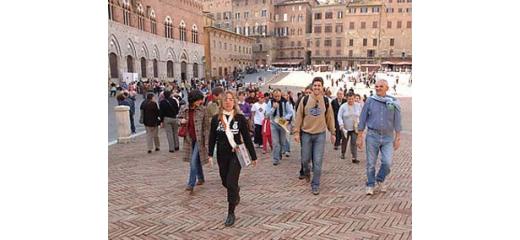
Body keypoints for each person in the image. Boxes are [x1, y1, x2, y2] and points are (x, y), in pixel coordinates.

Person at [208, 91, 257, 227]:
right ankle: (236, 190)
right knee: (226, 182)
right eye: (225, 100)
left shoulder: (240, 118)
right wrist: (210, 154)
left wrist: (253, 156)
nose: (228, 102)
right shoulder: (216, 119)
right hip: (222, 155)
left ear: (234, 102)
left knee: (230, 182)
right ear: (221, 102)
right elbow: (212, 137)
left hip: (236, 154)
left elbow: (246, 138)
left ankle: (231, 213)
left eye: (230, 99)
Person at [357, 79, 402, 195]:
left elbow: (397, 120)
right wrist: (360, 136)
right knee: (371, 163)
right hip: (372, 136)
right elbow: (362, 118)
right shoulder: (370, 101)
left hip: (388, 137)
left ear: (387, 88)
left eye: (381, 86)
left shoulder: (393, 102)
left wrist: (398, 137)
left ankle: (380, 179)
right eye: (376, 86)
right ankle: (370, 184)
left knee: (387, 162)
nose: (378, 88)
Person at [293, 77, 336, 195]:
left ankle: (315, 184)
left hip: (320, 135)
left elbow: (330, 118)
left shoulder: (326, 101)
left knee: (318, 162)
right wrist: (296, 132)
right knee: (305, 160)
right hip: (306, 134)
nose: (317, 87)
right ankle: (306, 172)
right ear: (312, 87)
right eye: (315, 85)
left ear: (322, 87)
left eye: (319, 85)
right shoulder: (305, 100)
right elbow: (299, 117)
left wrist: (333, 132)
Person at [178, 90, 209, 193]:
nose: (201, 101)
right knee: (196, 159)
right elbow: (178, 119)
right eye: (199, 100)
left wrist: (207, 141)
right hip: (189, 139)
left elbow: (206, 127)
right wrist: (181, 121)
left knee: (193, 160)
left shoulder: (203, 110)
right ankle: (201, 178)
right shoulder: (184, 109)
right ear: (193, 99)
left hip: (200, 139)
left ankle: (191, 184)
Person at [265, 89, 294, 166]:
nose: (277, 98)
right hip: (273, 123)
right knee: (275, 142)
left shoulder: (285, 102)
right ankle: (276, 159)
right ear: (273, 96)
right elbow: (267, 115)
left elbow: (290, 112)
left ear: (281, 95)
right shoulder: (270, 103)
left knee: (282, 141)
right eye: (275, 96)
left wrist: (285, 118)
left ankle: (280, 153)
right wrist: (273, 108)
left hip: (282, 123)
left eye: (278, 96)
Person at [337, 93, 362, 162]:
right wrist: (341, 125)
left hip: (355, 128)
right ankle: (343, 152)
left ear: (354, 99)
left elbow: (361, 115)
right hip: (345, 128)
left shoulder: (358, 106)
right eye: (349, 99)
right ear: (346, 99)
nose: (350, 100)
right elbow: (339, 116)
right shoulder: (343, 106)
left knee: (354, 142)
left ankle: (354, 157)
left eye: (352, 99)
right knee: (345, 141)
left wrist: (360, 123)